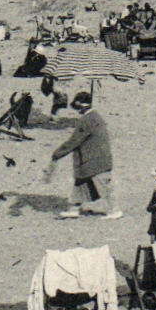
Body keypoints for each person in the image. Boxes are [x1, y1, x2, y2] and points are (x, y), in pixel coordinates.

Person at [48, 91, 120, 219]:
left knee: (103, 186)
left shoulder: (87, 120)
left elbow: (74, 141)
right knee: (80, 184)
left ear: (80, 104)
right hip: (94, 159)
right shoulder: (95, 116)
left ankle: (114, 210)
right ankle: (73, 209)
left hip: (93, 160)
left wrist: (57, 154)